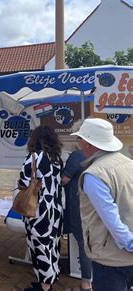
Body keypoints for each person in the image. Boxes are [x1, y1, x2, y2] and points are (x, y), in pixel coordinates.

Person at [71, 118, 133, 291]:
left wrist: (130, 243)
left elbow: (110, 218)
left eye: (81, 139)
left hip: (110, 258)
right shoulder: (128, 163)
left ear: (89, 144)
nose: (80, 144)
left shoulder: (94, 175)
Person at [19, 125, 63, 291]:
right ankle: (47, 281)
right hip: (55, 209)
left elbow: (23, 183)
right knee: (52, 245)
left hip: (38, 210)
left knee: (40, 246)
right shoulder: (57, 158)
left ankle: (44, 287)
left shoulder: (33, 158)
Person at [61, 122, 92, 291]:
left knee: (84, 245)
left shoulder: (77, 156)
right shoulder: (104, 154)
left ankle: (86, 283)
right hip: (97, 208)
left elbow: (64, 180)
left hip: (80, 207)